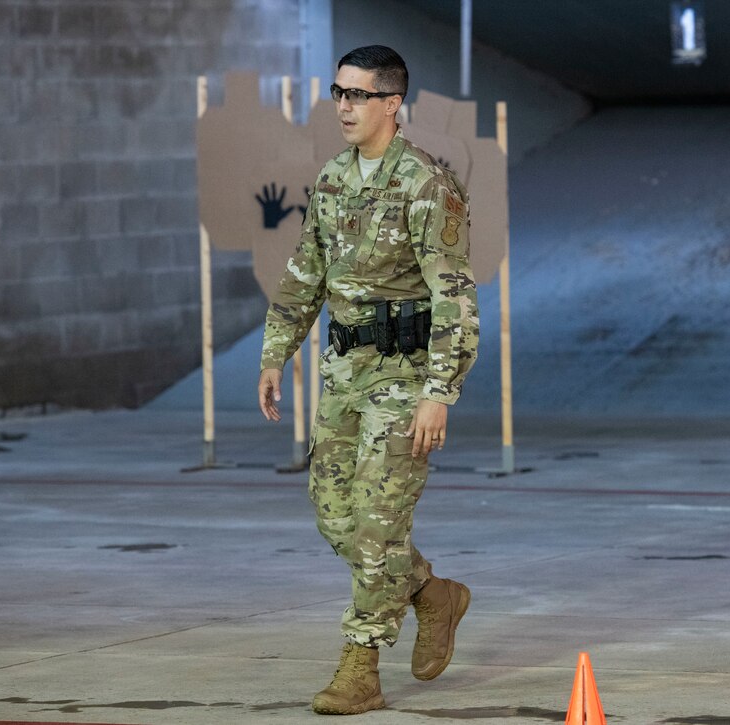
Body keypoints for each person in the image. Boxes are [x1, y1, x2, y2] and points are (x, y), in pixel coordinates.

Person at [257, 45, 479, 715]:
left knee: (378, 523)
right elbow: (306, 272)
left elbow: (455, 298)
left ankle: (360, 663)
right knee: (335, 515)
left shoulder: (424, 184)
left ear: (392, 104)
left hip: (405, 379)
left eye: (358, 95)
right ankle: (432, 595)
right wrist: (275, 351)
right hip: (345, 374)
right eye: (339, 93)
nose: (345, 106)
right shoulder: (332, 180)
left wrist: (439, 390)